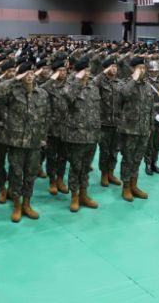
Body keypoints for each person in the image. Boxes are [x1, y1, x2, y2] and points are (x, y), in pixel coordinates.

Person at [0, 62, 50, 223]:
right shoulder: (12, 91)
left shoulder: (42, 93)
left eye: (32, 72)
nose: (30, 75)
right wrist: (15, 79)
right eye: (26, 73)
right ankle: (17, 205)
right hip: (16, 140)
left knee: (31, 174)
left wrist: (43, 137)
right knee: (16, 173)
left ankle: (27, 203)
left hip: (34, 141)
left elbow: (46, 117)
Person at [60, 57, 101, 212]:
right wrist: (77, 81)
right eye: (85, 70)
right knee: (76, 167)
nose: (88, 73)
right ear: (78, 71)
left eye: (89, 70)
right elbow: (67, 98)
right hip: (76, 135)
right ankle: (75, 196)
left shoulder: (93, 87)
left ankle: (84, 194)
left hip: (92, 135)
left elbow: (97, 110)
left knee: (85, 168)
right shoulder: (70, 85)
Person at [117, 57, 155, 202]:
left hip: (144, 129)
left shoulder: (147, 85)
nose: (142, 70)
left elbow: (150, 108)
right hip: (129, 129)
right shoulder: (125, 83)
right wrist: (134, 79)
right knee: (128, 158)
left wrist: (150, 126)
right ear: (132, 69)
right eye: (139, 68)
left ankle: (134, 185)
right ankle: (126, 187)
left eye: (144, 68)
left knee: (138, 159)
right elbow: (123, 95)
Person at [41, 58, 70, 196]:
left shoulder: (70, 85)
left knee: (64, 156)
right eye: (60, 70)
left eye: (64, 70)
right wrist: (52, 79)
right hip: (52, 128)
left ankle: (60, 179)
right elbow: (41, 90)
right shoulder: (49, 86)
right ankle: (52, 180)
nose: (63, 73)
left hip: (66, 126)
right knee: (51, 156)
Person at [95, 57, 122, 187]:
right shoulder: (100, 81)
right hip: (103, 122)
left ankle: (111, 172)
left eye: (115, 67)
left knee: (114, 150)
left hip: (117, 122)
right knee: (104, 150)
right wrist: (103, 73)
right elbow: (93, 83)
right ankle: (104, 174)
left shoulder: (120, 83)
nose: (114, 69)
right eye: (111, 66)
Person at [144, 61, 159, 175]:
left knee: (158, 143)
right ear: (148, 71)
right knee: (150, 143)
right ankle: (148, 164)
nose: (155, 73)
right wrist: (154, 115)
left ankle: (154, 163)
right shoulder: (145, 83)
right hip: (150, 118)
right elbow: (143, 103)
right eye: (152, 71)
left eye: (156, 71)